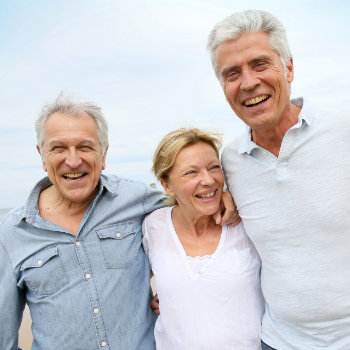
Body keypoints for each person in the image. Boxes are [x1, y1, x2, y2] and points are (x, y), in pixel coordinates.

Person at [0, 94, 238, 350]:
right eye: (58, 148)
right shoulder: (13, 232)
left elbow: (190, 203)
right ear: (42, 155)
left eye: (85, 147)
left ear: (103, 154)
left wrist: (227, 194)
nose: (73, 160)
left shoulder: (137, 201)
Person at [207, 9, 350, 350]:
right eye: (232, 73)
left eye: (260, 64)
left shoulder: (343, 128)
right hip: (279, 341)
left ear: (288, 67)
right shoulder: (230, 161)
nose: (248, 82)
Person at [143, 128, 264, 349]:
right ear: (166, 185)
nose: (208, 180)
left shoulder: (246, 219)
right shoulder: (154, 226)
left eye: (214, 168)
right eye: (191, 173)